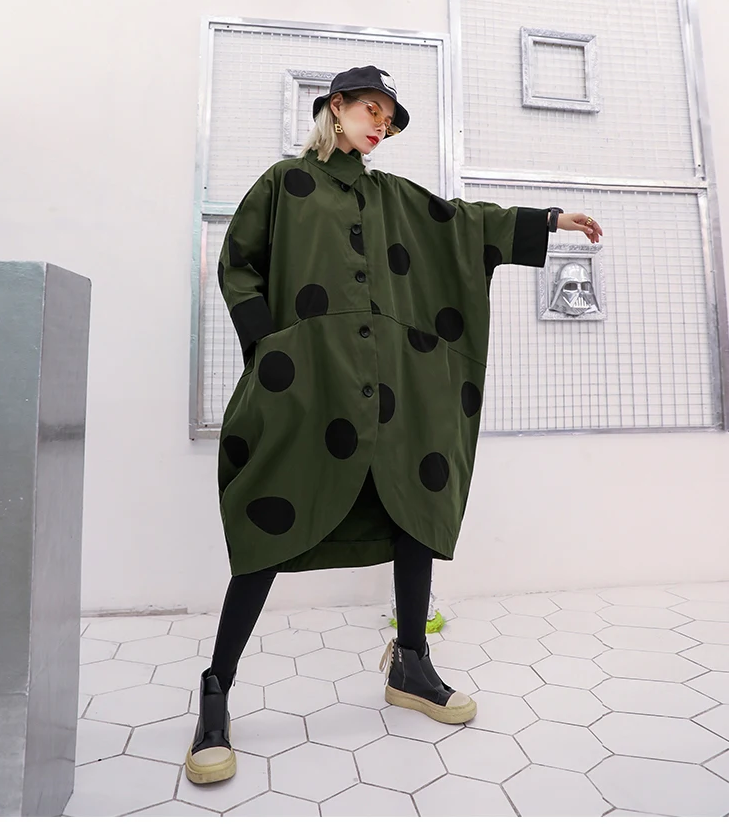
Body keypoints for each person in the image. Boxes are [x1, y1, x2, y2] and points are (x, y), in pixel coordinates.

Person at [185, 66, 603, 784]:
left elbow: (464, 223)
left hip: (390, 388)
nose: (381, 123)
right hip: (307, 385)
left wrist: (547, 219)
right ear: (336, 107)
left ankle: (411, 662)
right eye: (371, 109)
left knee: (413, 506)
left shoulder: (395, 198)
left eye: (390, 116)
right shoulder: (285, 184)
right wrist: (271, 350)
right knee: (267, 525)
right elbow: (239, 264)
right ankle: (216, 690)